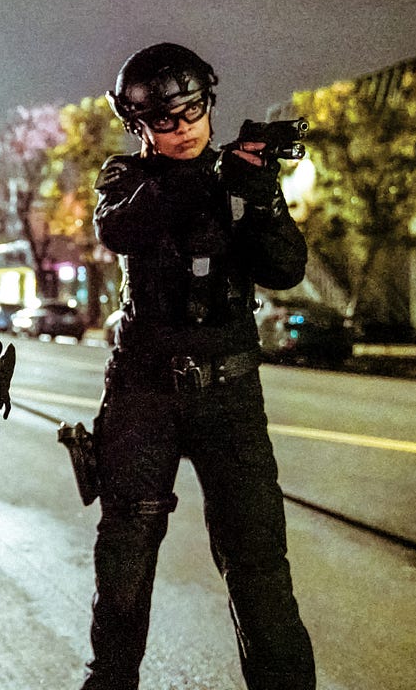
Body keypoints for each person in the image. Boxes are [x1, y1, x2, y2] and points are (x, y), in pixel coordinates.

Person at [81, 43, 316, 689]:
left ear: (208, 104)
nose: (182, 127)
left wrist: (261, 197)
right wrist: (212, 180)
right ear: (138, 125)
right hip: (142, 393)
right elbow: (122, 229)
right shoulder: (125, 177)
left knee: (261, 568)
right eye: (163, 119)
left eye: (191, 112)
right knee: (123, 565)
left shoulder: (239, 178)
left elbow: (285, 270)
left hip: (231, 395)